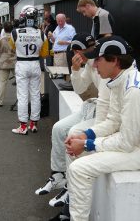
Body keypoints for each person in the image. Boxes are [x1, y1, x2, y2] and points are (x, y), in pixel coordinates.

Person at [63, 35, 140, 221]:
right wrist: (85, 134)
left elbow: (126, 142)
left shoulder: (134, 90)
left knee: (78, 169)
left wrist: (88, 144)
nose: (94, 64)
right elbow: (113, 121)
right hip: (133, 142)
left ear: (114, 60)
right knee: (75, 139)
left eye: (98, 59)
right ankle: (71, 204)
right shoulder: (119, 79)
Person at [35, 33, 110, 211]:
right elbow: (80, 88)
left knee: (73, 133)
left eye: (88, 49)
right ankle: (59, 175)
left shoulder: (101, 63)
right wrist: (75, 70)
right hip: (95, 106)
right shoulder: (90, 63)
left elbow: (110, 104)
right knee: (58, 128)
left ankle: (71, 185)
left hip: (105, 113)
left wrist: (97, 129)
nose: (81, 54)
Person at [9, 5, 49, 135]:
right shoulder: (42, 34)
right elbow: (44, 54)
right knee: (35, 95)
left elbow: (12, 48)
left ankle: (23, 126)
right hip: (35, 64)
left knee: (22, 96)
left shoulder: (14, 33)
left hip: (22, 63)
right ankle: (33, 124)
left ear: (23, 17)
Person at [0, 22, 16, 107]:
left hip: (4, 63)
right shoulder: (15, 38)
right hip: (14, 63)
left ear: (4, 29)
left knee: (3, 82)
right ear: (12, 28)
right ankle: (21, 101)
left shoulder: (0, 40)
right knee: (20, 82)